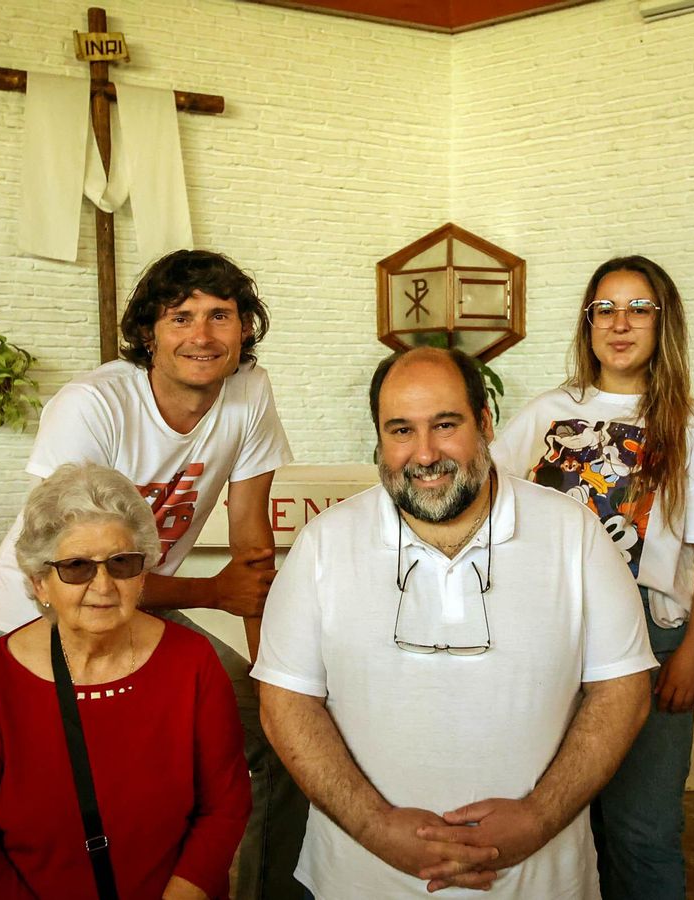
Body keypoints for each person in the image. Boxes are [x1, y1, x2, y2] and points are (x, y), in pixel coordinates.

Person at [253, 346, 656, 898]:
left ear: (485, 423)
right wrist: (374, 827)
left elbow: (623, 689)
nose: (424, 454)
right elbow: (286, 703)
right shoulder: (324, 543)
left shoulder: (574, 534)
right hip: (361, 879)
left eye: (445, 425)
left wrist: (539, 817)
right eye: (400, 430)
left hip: (539, 882)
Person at [0, 249, 307, 900]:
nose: (202, 335)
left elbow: (251, 544)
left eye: (221, 315)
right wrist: (211, 592)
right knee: (87, 789)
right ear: (147, 334)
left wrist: (270, 676)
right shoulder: (94, 404)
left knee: (282, 738)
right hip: (49, 610)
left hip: (140, 605)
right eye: (180, 316)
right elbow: (77, 568)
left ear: (245, 326)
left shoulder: (249, 391)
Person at [492, 255, 694, 899]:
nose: (620, 323)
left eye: (639, 308)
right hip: (558, 635)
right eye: (604, 308)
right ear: (587, 324)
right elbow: (489, 495)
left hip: (651, 640)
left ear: (666, 323)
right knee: (558, 818)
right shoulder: (552, 411)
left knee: (642, 827)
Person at [0, 463, 250, 898]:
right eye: (78, 566)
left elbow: (225, 805)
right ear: (40, 581)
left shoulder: (192, 662)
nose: (103, 585)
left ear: (143, 574)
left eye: (121, 563)